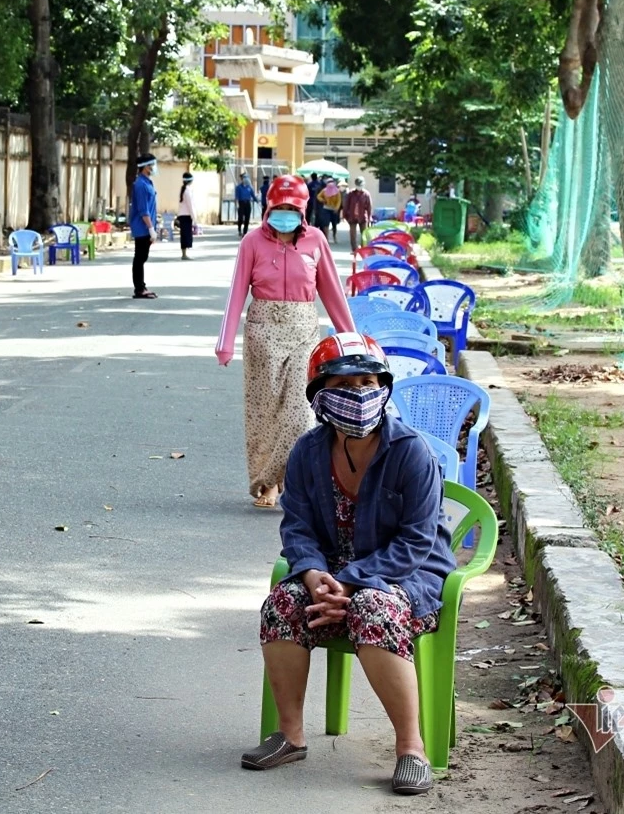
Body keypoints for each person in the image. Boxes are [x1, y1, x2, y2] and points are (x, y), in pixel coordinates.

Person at [241, 334, 455, 796]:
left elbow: (417, 542)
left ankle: (410, 749)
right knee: (282, 603)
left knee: (372, 609)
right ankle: (290, 735)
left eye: (367, 381)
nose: (359, 393)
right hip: (334, 573)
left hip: (408, 578)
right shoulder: (306, 452)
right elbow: (297, 526)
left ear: (383, 386)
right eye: (344, 383)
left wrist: (350, 582)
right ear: (320, 394)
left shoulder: (411, 452)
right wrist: (314, 573)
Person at [215, 175, 357, 509]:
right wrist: (225, 343)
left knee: (299, 411)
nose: (284, 213)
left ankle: (282, 479)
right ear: (268, 209)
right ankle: (266, 482)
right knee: (263, 414)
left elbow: (332, 292)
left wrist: (351, 339)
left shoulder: (315, 241)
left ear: (303, 210)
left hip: (303, 332)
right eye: (278, 207)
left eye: (291, 207)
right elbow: (237, 291)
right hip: (262, 334)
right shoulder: (252, 242)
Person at [129, 153, 159, 299]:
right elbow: (143, 209)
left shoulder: (147, 182)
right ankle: (139, 288)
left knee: (142, 257)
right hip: (142, 227)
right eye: (152, 165)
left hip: (147, 226)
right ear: (145, 167)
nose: (154, 168)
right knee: (140, 258)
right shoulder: (140, 184)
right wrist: (150, 228)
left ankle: (141, 286)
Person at [343, 176, 373, 253]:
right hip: (352, 217)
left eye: (361, 185)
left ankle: (363, 249)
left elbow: (369, 207)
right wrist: (345, 215)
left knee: (364, 234)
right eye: (358, 185)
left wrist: (369, 218)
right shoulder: (350, 193)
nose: (359, 187)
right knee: (353, 234)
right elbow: (346, 205)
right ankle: (354, 249)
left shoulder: (366, 194)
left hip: (363, 217)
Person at [177, 171, 195, 260]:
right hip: (186, 215)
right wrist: (194, 217)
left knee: (184, 235)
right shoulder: (187, 191)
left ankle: (184, 253)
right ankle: (184, 254)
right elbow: (190, 205)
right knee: (186, 235)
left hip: (182, 215)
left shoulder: (183, 189)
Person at [319, 176, 343, 243]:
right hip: (326, 208)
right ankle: (326, 238)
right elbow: (318, 196)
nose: (330, 184)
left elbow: (339, 200)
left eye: (331, 182)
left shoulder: (337, 191)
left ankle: (334, 236)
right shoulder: (324, 190)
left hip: (334, 209)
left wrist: (336, 208)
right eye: (329, 182)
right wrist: (323, 200)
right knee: (325, 224)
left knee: (334, 224)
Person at [234, 172, 257, 236]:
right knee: (240, 218)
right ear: (242, 179)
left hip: (248, 204)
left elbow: (253, 196)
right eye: (244, 177)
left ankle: (245, 232)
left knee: (247, 218)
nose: (245, 179)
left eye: (246, 177)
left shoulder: (249, 187)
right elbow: (236, 197)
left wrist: (257, 201)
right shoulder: (238, 187)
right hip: (241, 204)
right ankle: (239, 229)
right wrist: (236, 204)